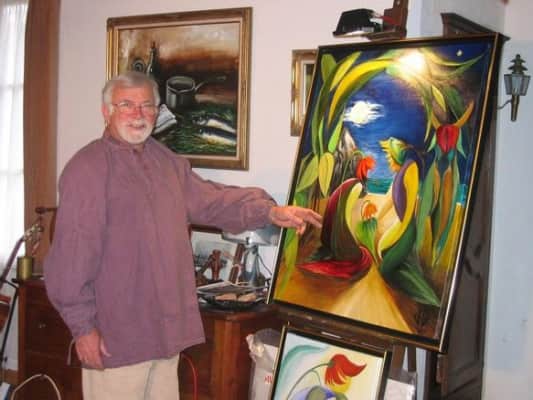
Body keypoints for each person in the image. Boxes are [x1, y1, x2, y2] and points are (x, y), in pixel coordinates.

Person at [43, 71, 322, 400]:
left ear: (157, 110)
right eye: (127, 105)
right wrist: (83, 329)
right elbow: (71, 260)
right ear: (107, 111)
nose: (138, 114)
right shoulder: (87, 170)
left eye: (147, 105)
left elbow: (212, 200)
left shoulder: (167, 164)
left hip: (164, 335)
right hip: (116, 338)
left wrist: (270, 212)